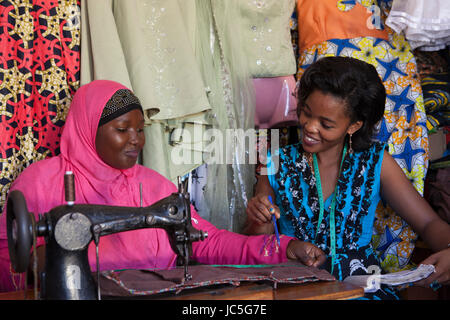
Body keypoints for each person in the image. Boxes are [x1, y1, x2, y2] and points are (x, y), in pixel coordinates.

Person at [0, 80, 327, 293]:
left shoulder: (154, 185)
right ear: (88, 129)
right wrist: (40, 265)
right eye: (122, 129)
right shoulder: (40, 181)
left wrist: (282, 247)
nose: (135, 140)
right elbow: (5, 259)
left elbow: (208, 242)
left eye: (140, 130)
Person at [245, 56, 450, 299]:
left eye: (326, 124)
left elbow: (428, 222)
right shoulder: (275, 161)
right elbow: (260, 240)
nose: (310, 127)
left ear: (353, 126)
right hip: (294, 287)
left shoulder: (376, 162)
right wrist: (260, 215)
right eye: (306, 113)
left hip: (360, 289)